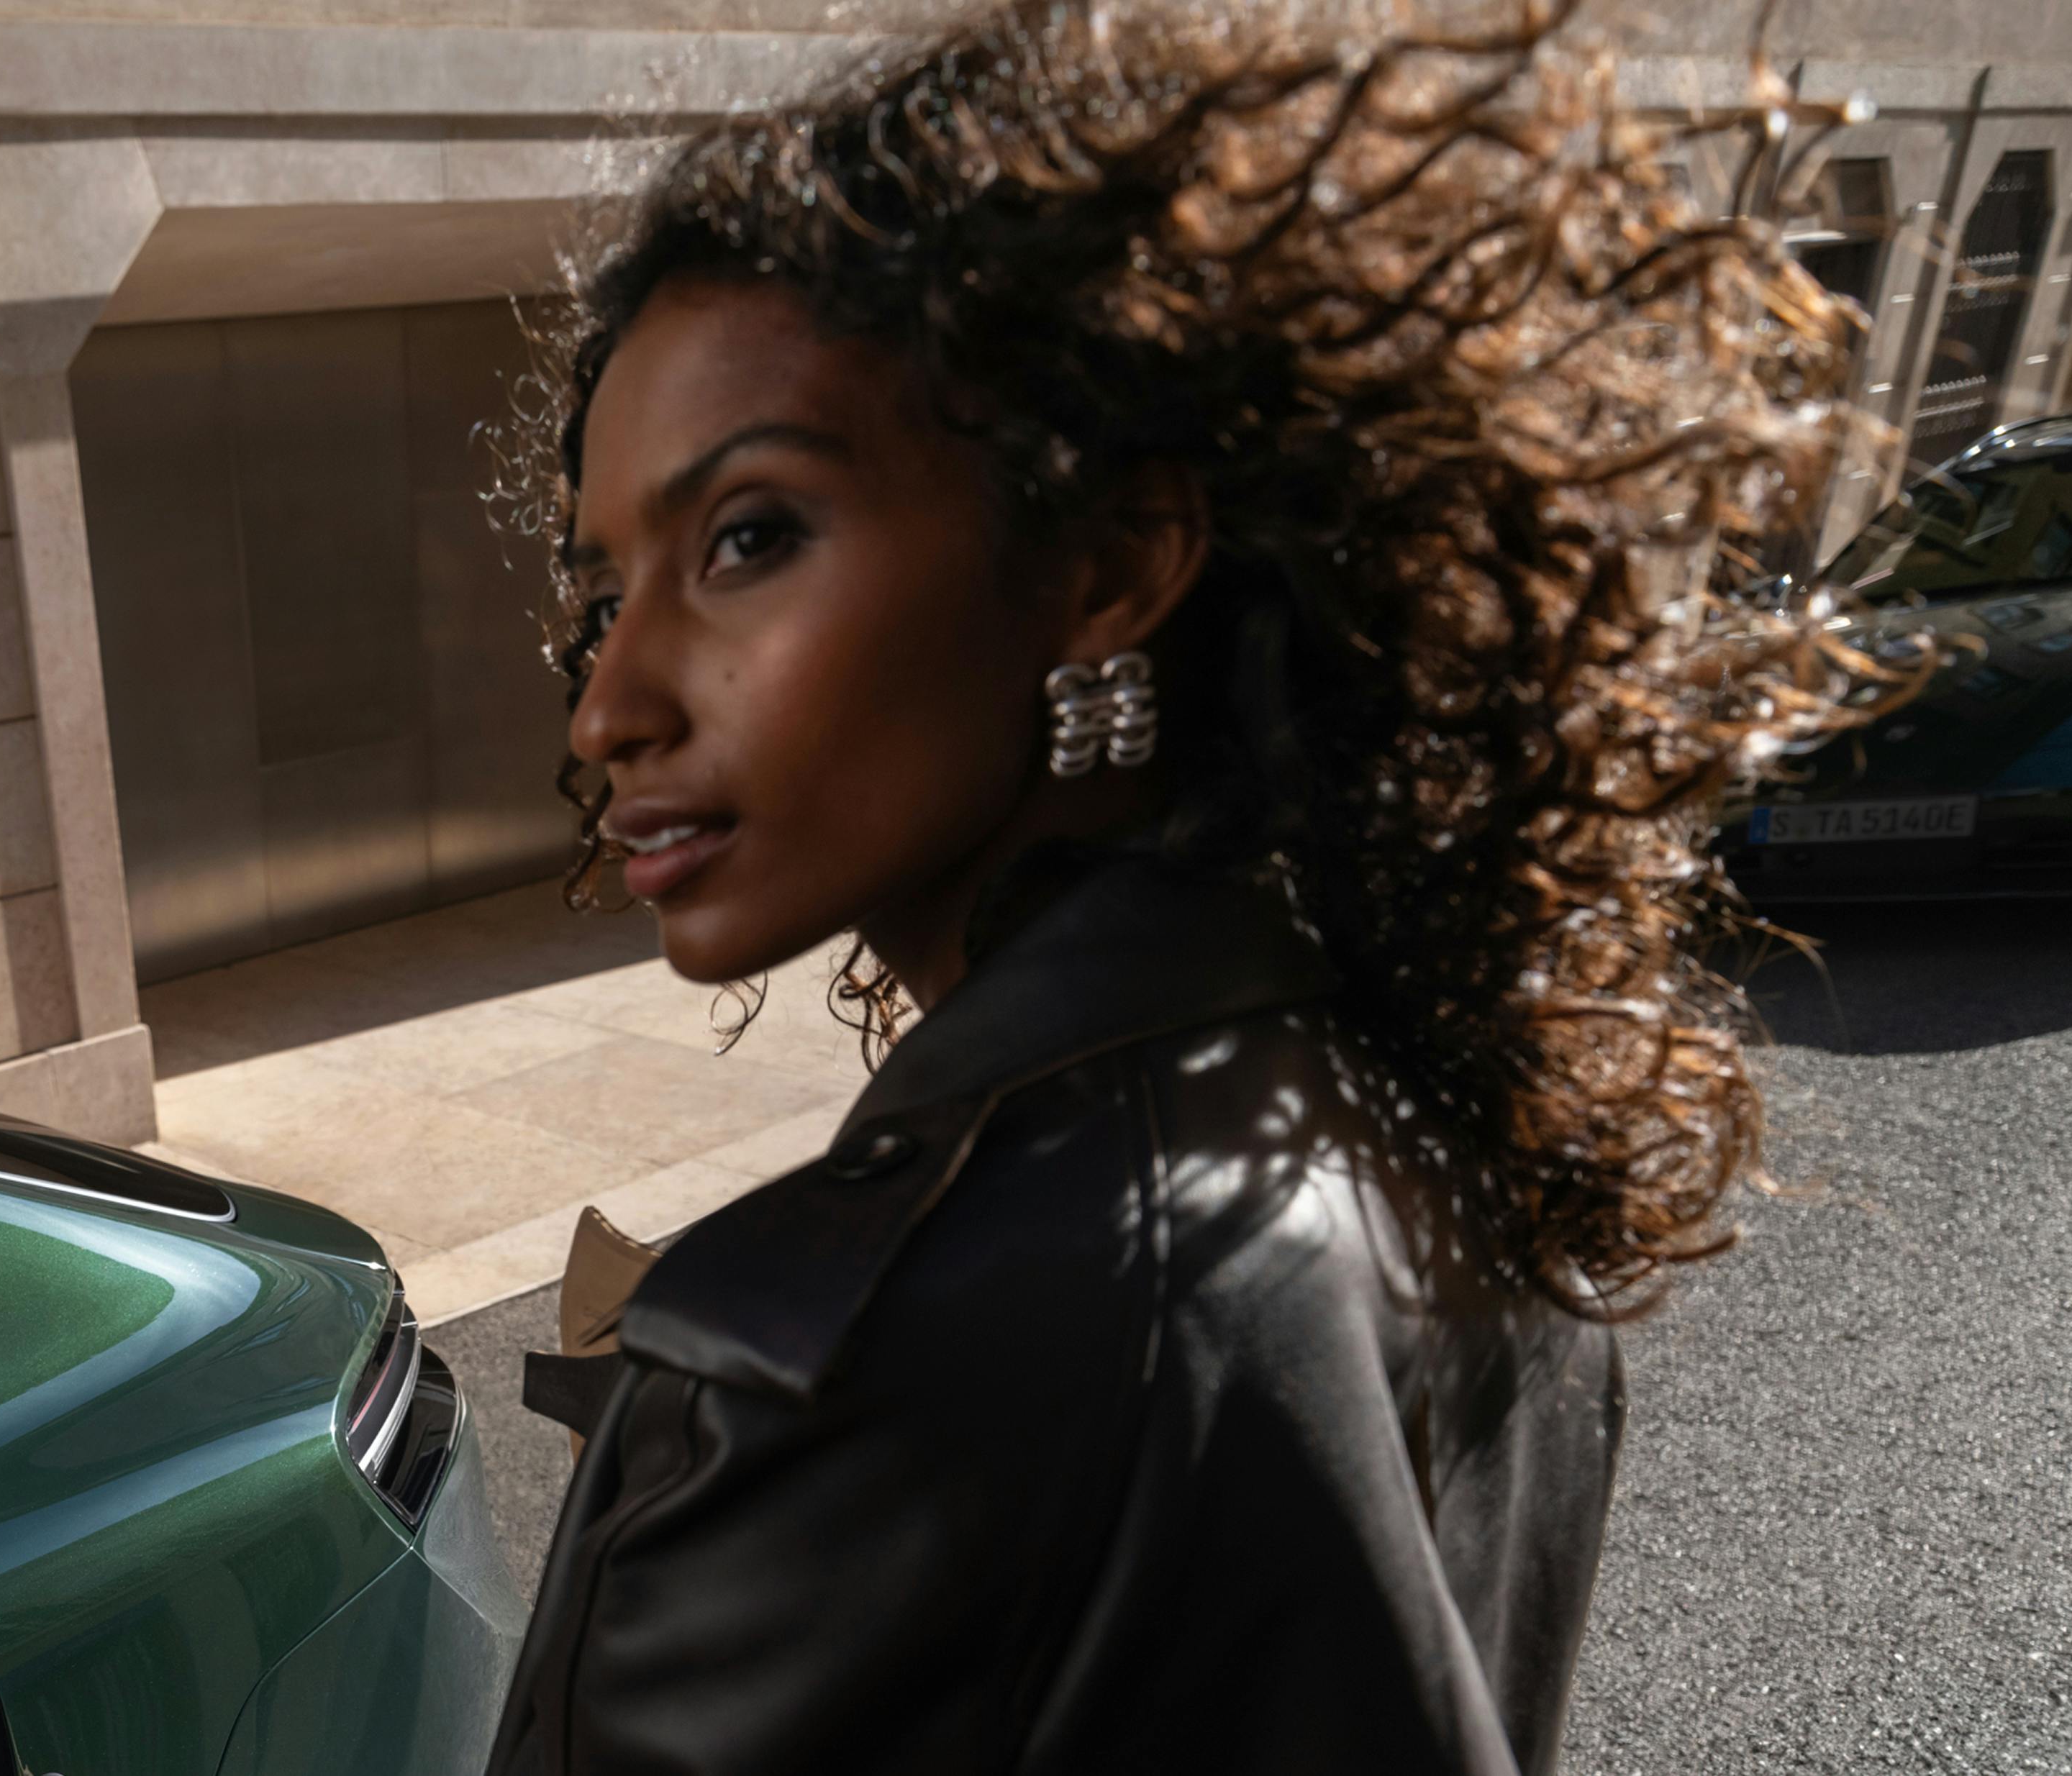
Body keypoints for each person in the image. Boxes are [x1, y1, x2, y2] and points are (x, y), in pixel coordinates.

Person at [484, 1, 1876, 1770]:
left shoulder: (873, 1363)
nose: (609, 704)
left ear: (1112, 562)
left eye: (748, 537)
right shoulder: (1448, 1128)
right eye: (610, 590)